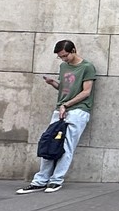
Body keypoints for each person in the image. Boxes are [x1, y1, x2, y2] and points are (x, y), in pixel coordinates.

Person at [17, 39, 97, 194]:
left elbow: (86, 92)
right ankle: (40, 181)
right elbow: (65, 88)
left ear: (73, 50)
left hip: (78, 111)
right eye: (60, 57)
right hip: (60, 109)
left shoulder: (87, 67)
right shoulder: (63, 67)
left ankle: (56, 180)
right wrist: (53, 83)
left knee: (66, 147)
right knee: (49, 143)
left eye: (65, 56)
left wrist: (66, 105)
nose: (63, 59)